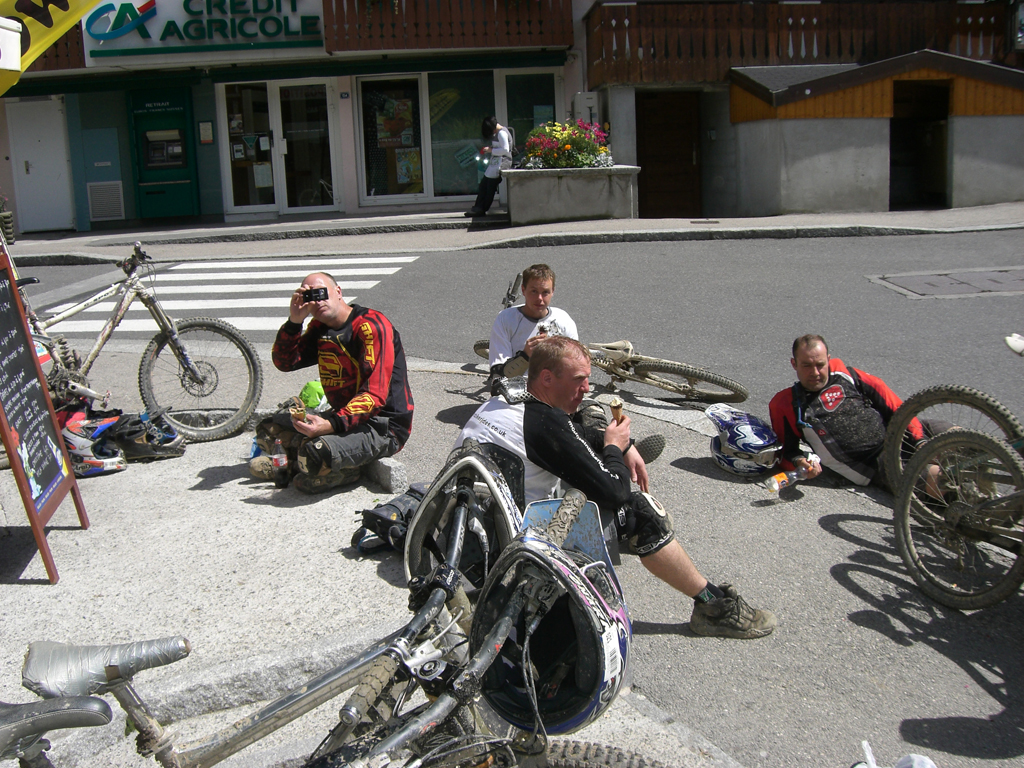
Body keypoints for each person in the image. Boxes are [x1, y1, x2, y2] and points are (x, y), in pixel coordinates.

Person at [457, 336, 777, 639]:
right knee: (642, 513)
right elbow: (616, 492)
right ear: (547, 378)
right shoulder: (544, 424)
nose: (586, 387)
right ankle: (713, 607)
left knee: (582, 447)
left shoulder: (506, 400)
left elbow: (571, 437)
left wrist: (625, 445)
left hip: (465, 539)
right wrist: (613, 448)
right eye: (579, 379)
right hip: (510, 553)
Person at [250, 272, 414, 494]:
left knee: (315, 453)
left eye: (321, 293)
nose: (317, 301)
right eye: (309, 297)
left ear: (338, 292)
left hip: (382, 426)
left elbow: (374, 395)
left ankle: (326, 464)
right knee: (269, 426)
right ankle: (307, 460)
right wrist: (294, 322)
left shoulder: (370, 326)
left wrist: (329, 425)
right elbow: (285, 362)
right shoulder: (319, 327)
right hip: (342, 417)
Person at [769, 334, 924, 489]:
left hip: (897, 432)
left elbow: (893, 403)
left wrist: (918, 440)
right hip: (876, 462)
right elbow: (784, 454)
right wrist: (800, 462)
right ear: (794, 364)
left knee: (937, 433)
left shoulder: (844, 374)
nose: (815, 372)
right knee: (931, 475)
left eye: (820, 364)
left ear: (828, 360)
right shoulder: (786, 404)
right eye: (806, 366)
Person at [489, 263, 578, 382]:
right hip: (518, 387)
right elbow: (499, 375)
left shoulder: (563, 320)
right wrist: (525, 356)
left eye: (545, 292)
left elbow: (576, 367)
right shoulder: (505, 319)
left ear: (552, 291)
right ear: (523, 290)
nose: (539, 298)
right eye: (534, 291)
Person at [465, 116, 511, 217]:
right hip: (495, 163)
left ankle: (480, 209)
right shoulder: (500, 132)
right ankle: (478, 207)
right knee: (485, 186)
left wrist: (491, 150)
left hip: (500, 163)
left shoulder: (502, 133)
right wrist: (491, 149)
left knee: (489, 187)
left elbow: (505, 150)